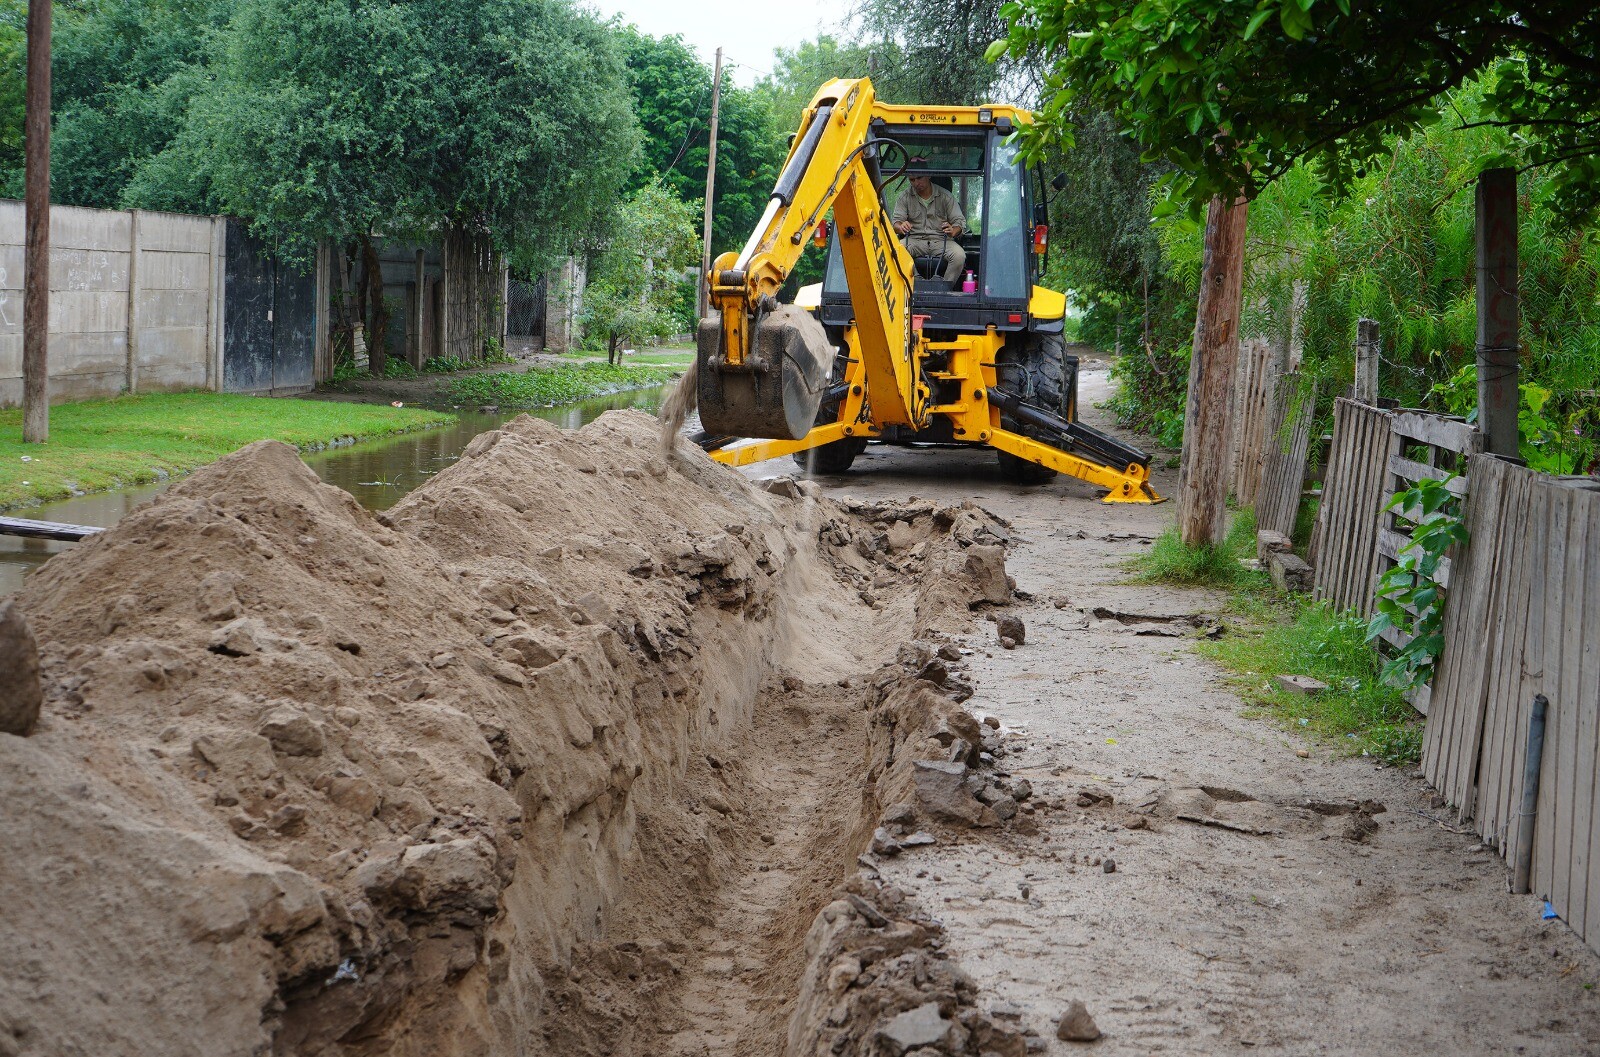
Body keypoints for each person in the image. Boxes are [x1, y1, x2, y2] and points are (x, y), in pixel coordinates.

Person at [892, 164, 967, 282]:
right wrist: (901, 226)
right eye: (912, 180)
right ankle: (915, 282)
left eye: (919, 178)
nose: (916, 183)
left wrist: (953, 230)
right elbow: (896, 223)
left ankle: (944, 289)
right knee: (895, 251)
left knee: (959, 256)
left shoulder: (946, 196)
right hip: (914, 240)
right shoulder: (904, 197)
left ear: (929, 175)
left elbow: (960, 223)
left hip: (942, 240)